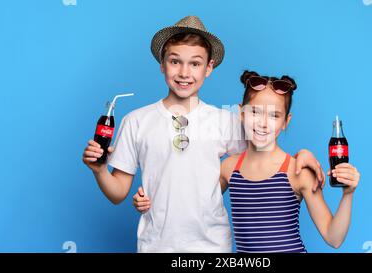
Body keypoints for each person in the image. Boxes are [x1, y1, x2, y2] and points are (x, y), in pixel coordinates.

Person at [83, 16, 324, 253]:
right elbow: (118, 193)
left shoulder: (225, 121)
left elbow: (266, 153)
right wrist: (100, 170)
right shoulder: (136, 121)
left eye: (195, 63)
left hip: (212, 246)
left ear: (209, 68)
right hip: (155, 245)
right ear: (162, 64)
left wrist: (304, 155)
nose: (184, 72)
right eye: (175, 61)